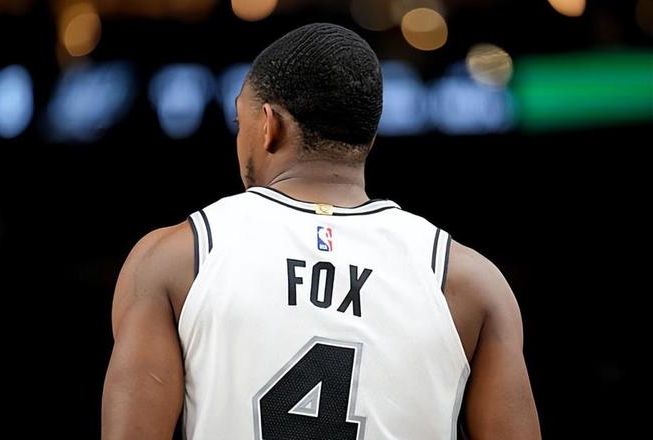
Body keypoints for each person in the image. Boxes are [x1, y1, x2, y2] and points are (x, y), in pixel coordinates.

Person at [102, 23, 541, 440]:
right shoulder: (467, 282)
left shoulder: (177, 258)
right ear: (368, 135)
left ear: (269, 125)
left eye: (240, 123)